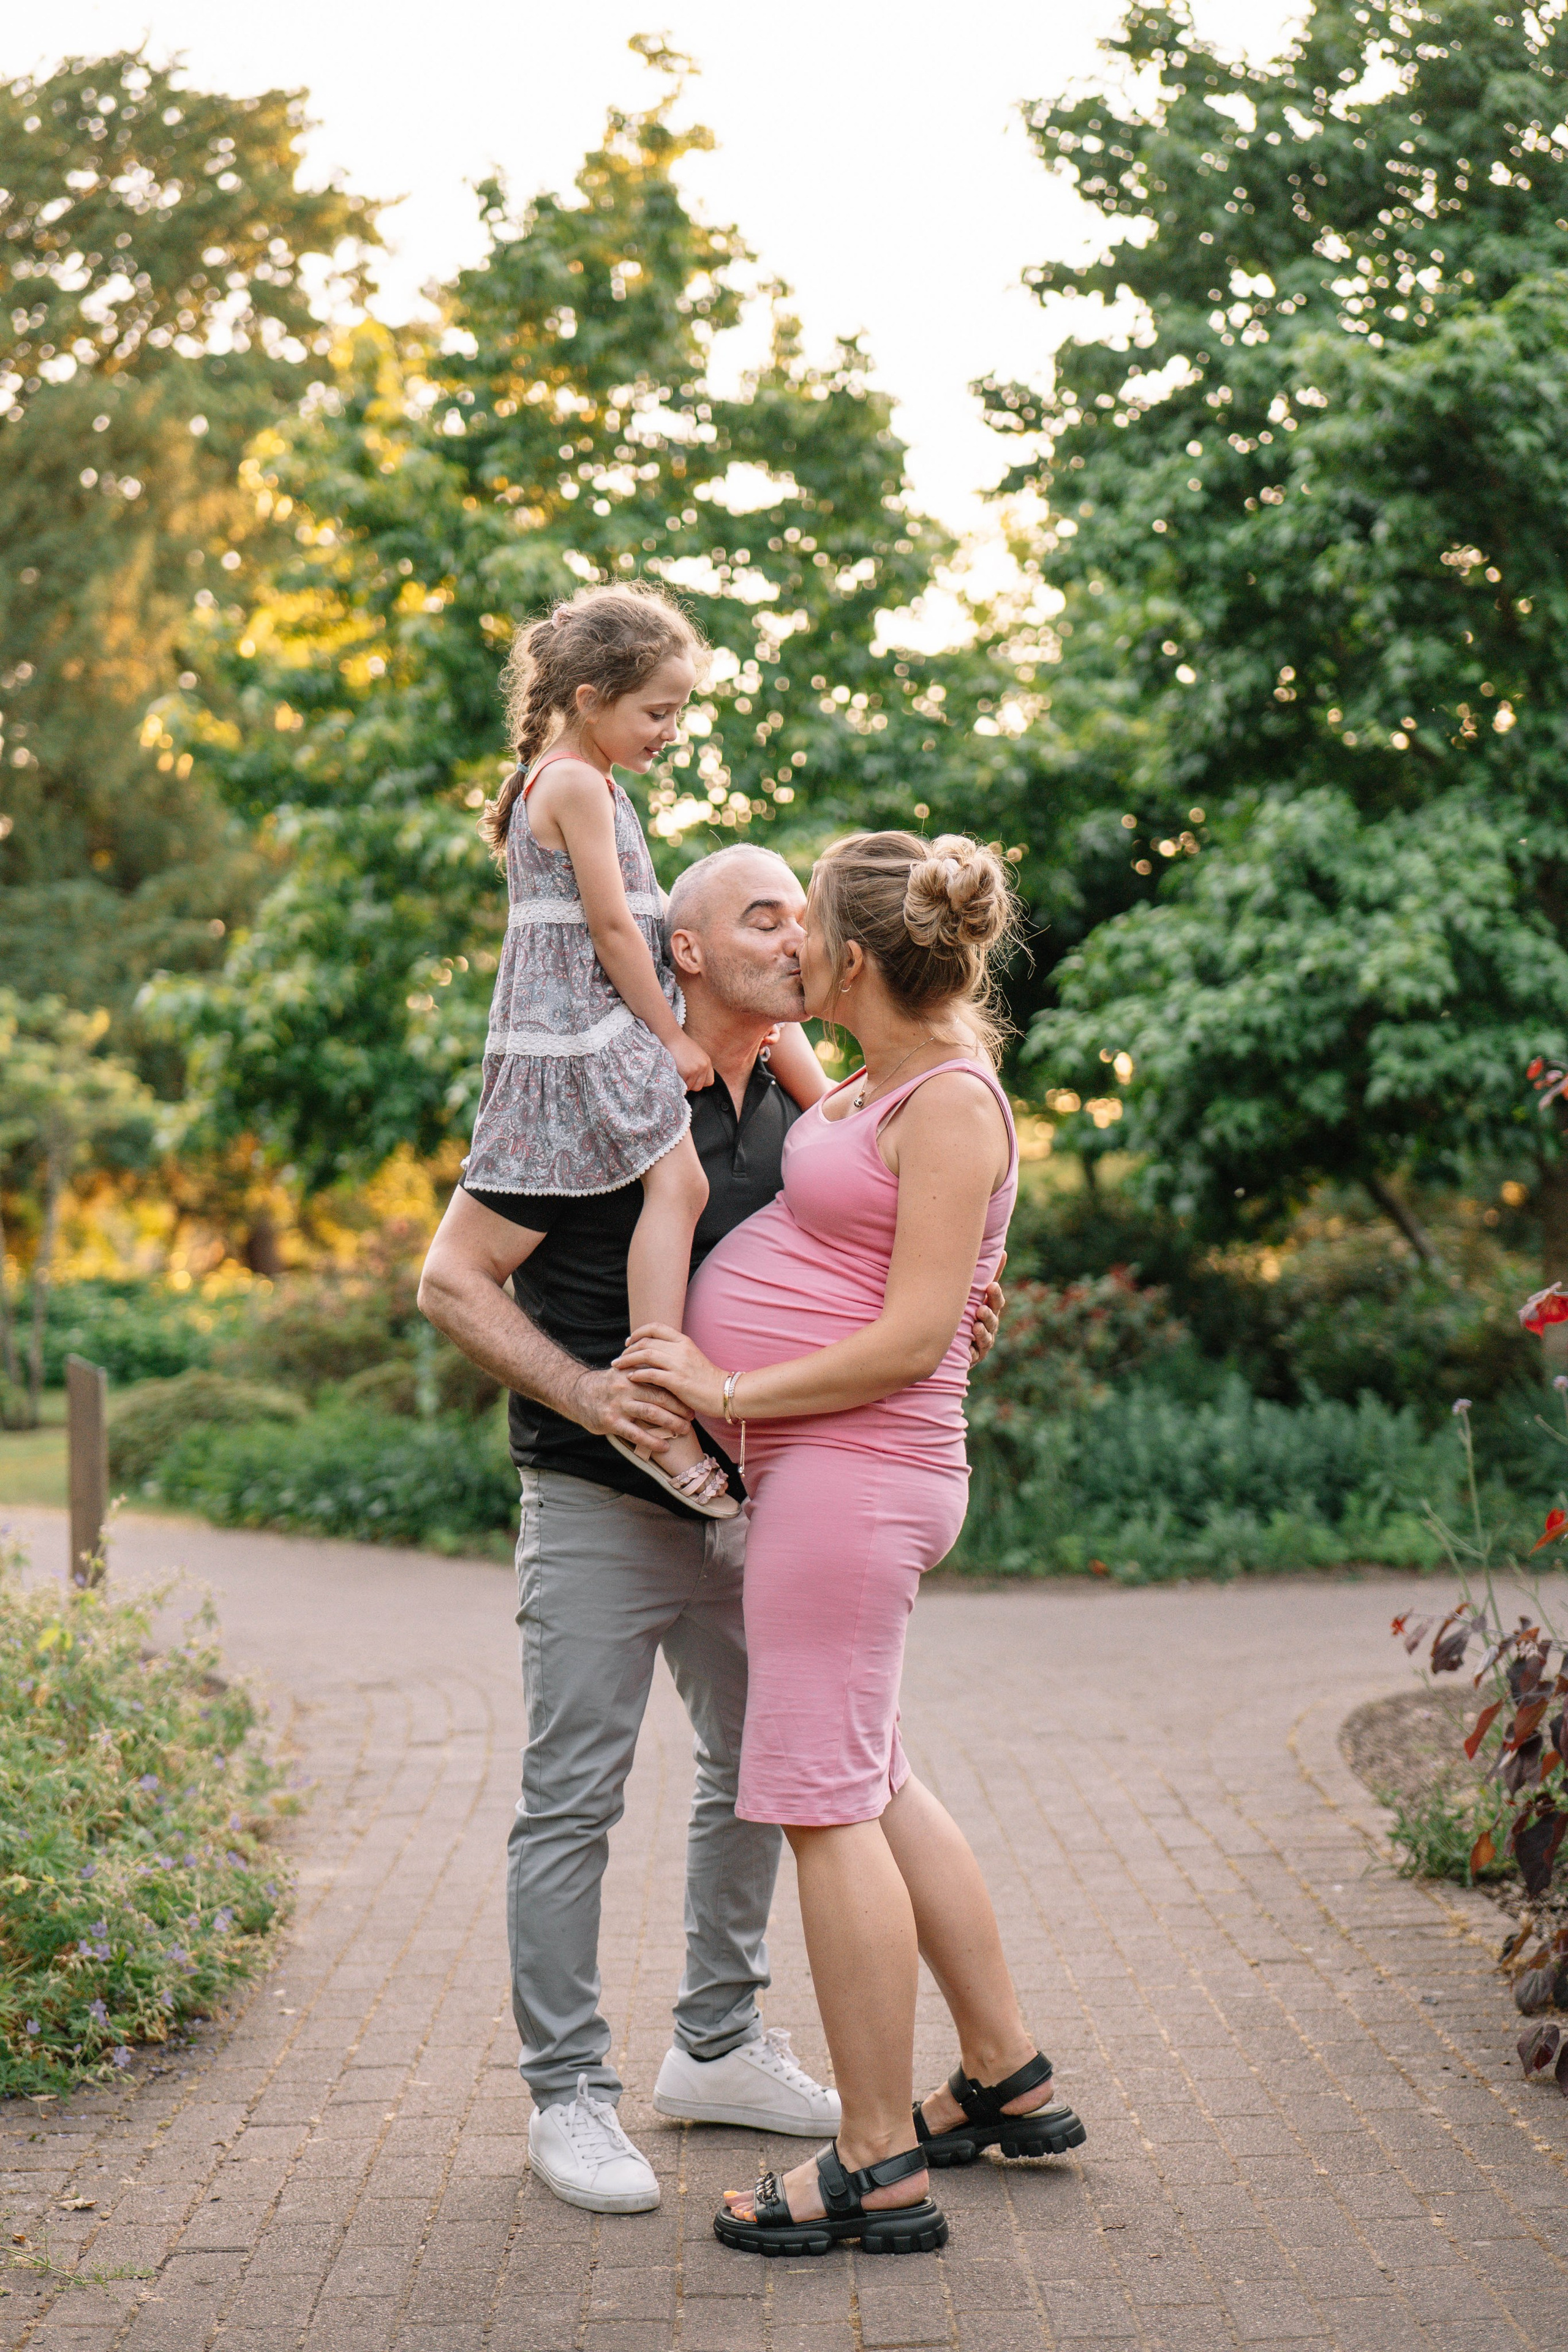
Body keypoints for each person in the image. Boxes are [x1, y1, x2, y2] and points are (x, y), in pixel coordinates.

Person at [418, 840, 1006, 2218]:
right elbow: (450, 1279)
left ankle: (720, 2044)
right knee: (574, 1796)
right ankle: (568, 2093)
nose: (795, 935)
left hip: (763, 1499)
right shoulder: (588, 1089)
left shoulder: (808, 1098)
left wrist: (962, 1297)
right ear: (680, 952)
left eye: (803, 916)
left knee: (761, 1779)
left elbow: (898, 1219)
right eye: (761, 916)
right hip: (597, 1496)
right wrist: (594, 1400)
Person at [616, 831, 1086, 2259]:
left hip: (851, 1479)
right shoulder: (875, 1076)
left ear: (861, 960)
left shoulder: (947, 1099)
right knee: (870, 1779)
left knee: (820, 1805)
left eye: (808, 928)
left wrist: (725, 1387)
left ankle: (876, 2159)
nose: (793, 948)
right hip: (837, 1477)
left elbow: (907, 1335)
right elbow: (864, 1230)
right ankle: (1002, 2073)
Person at [465, 581, 822, 1517]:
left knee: (767, 1061)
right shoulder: (577, 782)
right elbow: (619, 932)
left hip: (600, 1012)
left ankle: (841, 1116)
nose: (671, 730)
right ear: (590, 698)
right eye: (658, 712)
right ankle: (659, 1396)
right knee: (681, 1183)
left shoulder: (590, 778)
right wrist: (667, 1034)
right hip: (584, 1025)